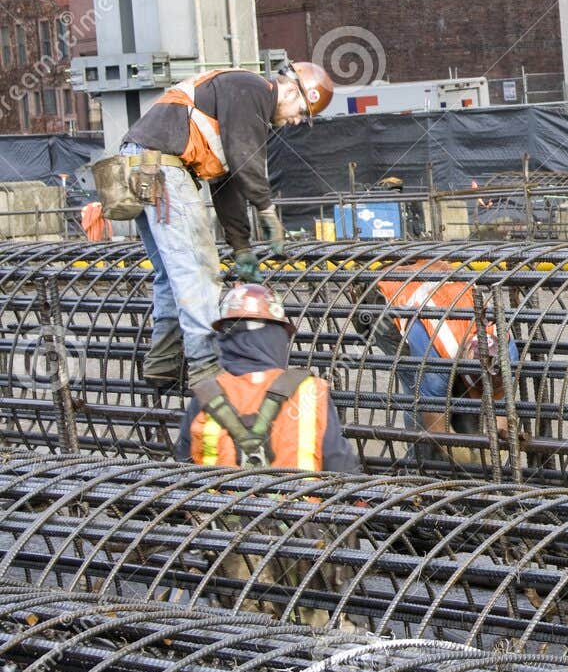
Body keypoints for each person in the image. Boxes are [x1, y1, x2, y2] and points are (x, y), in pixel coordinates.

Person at [122, 60, 333, 386]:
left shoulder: (241, 101)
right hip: (162, 168)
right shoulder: (252, 89)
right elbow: (245, 159)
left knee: (170, 272)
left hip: (142, 164)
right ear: (291, 89)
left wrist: (241, 248)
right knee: (198, 271)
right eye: (302, 111)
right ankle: (207, 372)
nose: (296, 120)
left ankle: (163, 363)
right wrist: (266, 209)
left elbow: (227, 182)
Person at [175, 282, 359, 472]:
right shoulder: (310, 392)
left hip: (216, 502)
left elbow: (182, 466)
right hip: (300, 502)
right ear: (277, 336)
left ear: (225, 337)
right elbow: (340, 465)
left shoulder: (206, 395)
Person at [371, 262, 515, 463]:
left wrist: (499, 446)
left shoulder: (505, 349)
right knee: (419, 400)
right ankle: (419, 468)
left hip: (434, 282)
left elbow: (501, 412)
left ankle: (460, 464)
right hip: (382, 302)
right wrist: (469, 461)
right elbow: (436, 429)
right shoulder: (436, 358)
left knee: (458, 403)